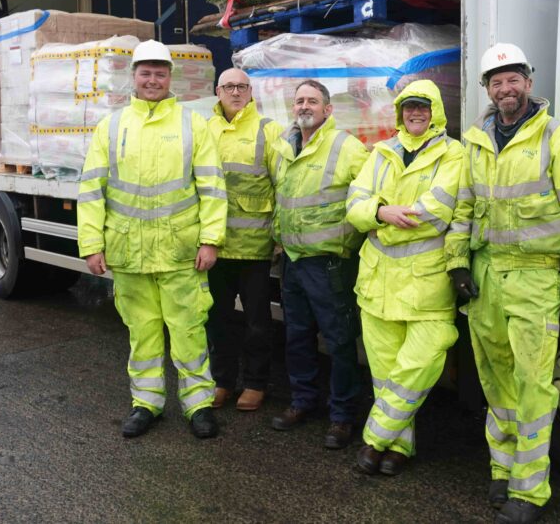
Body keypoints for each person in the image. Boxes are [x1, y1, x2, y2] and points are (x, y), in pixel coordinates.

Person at [447, 43, 560, 524]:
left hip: (535, 277)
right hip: (486, 275)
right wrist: (456, 264)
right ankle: (503, 468)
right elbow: (464, 207)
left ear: (529, 83)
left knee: (533, 385)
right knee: (495, 381)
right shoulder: (476, 139)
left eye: (513, 79)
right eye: (496, 82)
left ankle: (529, 491)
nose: (505, 88)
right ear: (488, 91)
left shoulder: (557, 138)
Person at [77, 39, 228, 440]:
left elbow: (212, 186)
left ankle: (198, 405)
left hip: (180, 252)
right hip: (129, 252)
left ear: (169, 78)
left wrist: (211, 239)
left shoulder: (191, 124)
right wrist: (91, 244)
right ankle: (146, 403)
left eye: (160, 73)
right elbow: (92, 189)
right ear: (134, 77)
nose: (152, 80)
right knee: (141, 333)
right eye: (145, 73)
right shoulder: (111, 126)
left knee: (189, 331)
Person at [346, 80, 463, 477]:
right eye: (409, 108)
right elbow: (354, 204)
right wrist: (380, 214)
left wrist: (383, 221)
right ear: (400, 113)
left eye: (423, 108)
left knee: (418, 364)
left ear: (436, 113)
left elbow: (436, 213)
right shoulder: (381, 152)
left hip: (425, 286)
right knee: (385, 373)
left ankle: (375, 436)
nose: (416, 114)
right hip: (377, 283)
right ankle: (399, 448)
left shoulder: (453, 154)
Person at [268, 79, 369, 449]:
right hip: (292, 261)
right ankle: (302, 401)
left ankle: (342, 415)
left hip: (329, 264)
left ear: (328, 110)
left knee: (340, 340)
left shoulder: (347, 147)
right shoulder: (284, 146)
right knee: (297, 336)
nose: (304, 106)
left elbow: (369, 195)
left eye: (312, 100)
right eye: (299, 101)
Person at [206, 68, 283, 412]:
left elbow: (284, 187)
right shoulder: (204, 130)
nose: (236, 92)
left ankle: (254, 383)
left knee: (256, 323)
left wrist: (278, 236)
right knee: (217, 319)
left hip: (254, 248)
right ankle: (222, 381)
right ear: (217, 91)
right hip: (215, 246)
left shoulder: (268, 130)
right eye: (229, 86)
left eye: (242, 86)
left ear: (251, 92)